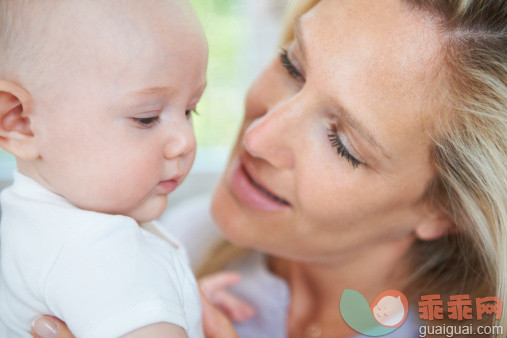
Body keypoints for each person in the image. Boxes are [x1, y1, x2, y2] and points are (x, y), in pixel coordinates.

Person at [30, 0, 507, 337]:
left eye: (343, 144)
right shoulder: (177, 242)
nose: (258, 137)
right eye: (291, 65)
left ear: (446, 209)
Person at [0, 0, 212, 336]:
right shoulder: (102, 250)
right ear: (20, 122)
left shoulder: (24, 222)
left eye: (190, 111)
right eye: (146, 117)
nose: (185, 140)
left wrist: (180, 305)